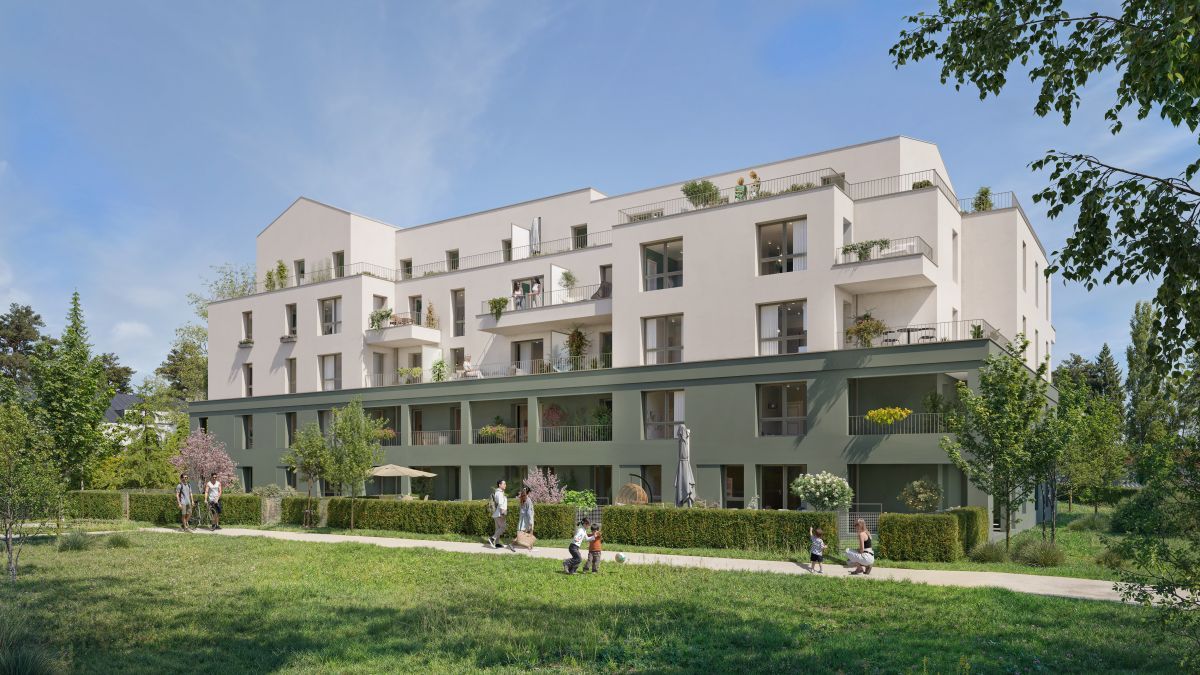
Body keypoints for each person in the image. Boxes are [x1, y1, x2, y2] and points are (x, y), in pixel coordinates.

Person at [509, 487, 535, 551]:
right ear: (529, 492)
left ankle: (530, 547)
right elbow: (529, 512)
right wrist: (530, 521)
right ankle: (512, 544)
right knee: (529, 532)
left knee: (524, 533)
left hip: (523, 518)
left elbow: (522, 511)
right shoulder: (528, 500)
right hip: (527, 519)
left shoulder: (522, 499)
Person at [488, 479, 508, 549]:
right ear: (499, 485)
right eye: (504, 484)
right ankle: (492, 539)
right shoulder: (499, 493)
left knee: (498, 529)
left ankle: (497, 544)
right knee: (503, 527)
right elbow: (500, 503)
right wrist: (502, 512)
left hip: (497, 513)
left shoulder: (499, 492)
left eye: (505, 484)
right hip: (500, 513)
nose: (505, 485)